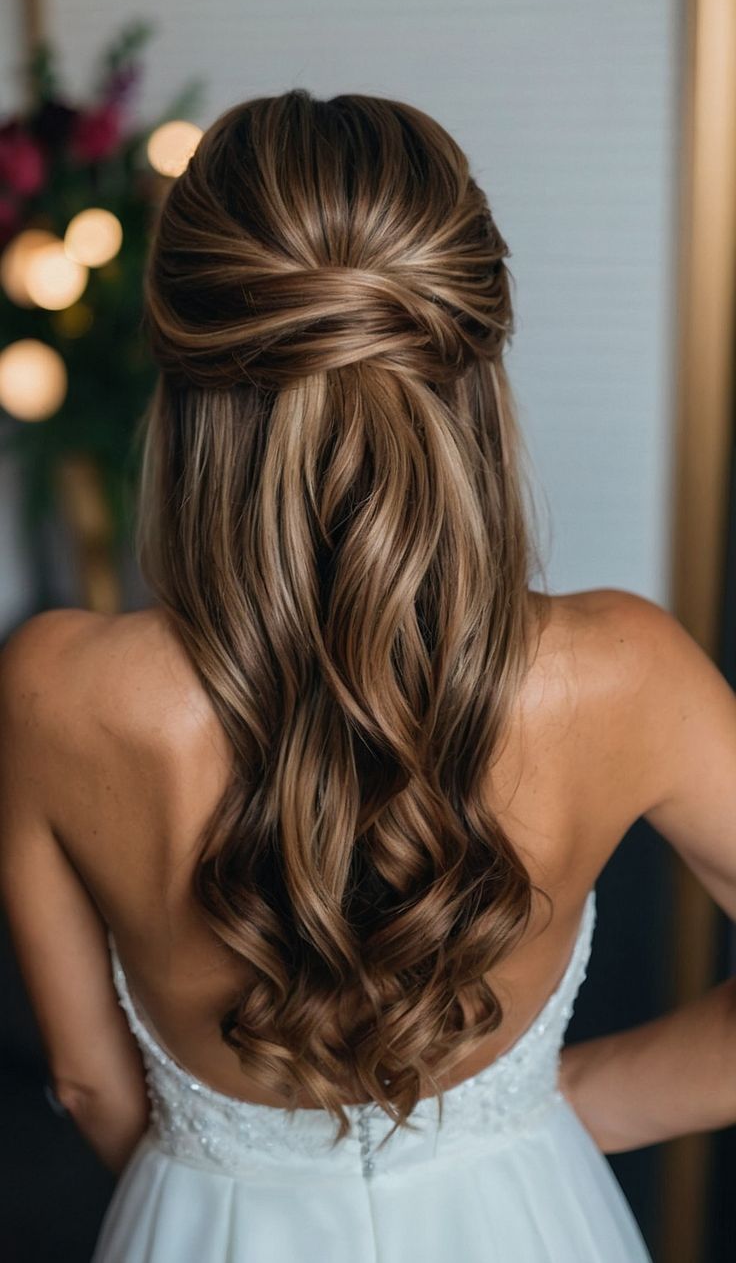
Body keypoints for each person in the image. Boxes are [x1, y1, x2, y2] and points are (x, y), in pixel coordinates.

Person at [0, 89, 734, 1263]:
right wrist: (562, 1101)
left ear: (178, 367)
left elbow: (90, 1089)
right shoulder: (624, 673)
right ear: (476, 353)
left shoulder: (51, 690)